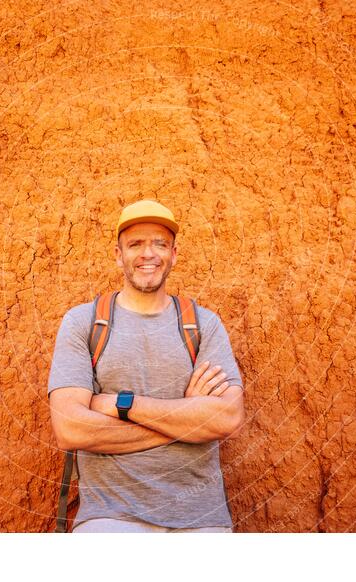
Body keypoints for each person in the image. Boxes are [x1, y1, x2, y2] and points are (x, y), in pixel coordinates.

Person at [47, 200, 245, 533]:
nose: (148, 254)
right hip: (111, 518)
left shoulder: (203, 326)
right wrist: (188, 419)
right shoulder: (84, 323)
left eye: (160, 244)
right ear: (118, 254)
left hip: (201, 519)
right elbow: (70, 429)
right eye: (135, 244)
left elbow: (228, 418)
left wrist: (119, 405)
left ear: (174, 253)